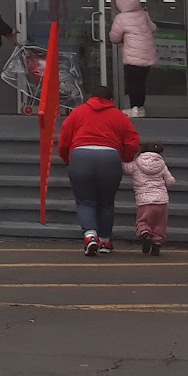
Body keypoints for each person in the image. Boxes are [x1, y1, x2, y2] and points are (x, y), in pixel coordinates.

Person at [55, 87, 140, 255]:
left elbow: (64, 138)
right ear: (111, 100)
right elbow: (132, 141)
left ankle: (90, 236)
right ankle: (105, 241)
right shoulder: (119, 116)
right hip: (109, 156)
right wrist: (125, 157)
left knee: (85, 201)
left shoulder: (78, 113)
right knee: (106, 202)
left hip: (81, 155)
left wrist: (67, 158)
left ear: (91, 97)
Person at [109, 0, 157, 119]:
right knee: (141, 82)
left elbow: (114, 37)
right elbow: (153, 28)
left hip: (132, 56)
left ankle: (134, 108)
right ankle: (140, 107)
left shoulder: (121, 18)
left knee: (132, 83)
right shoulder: (144, 14)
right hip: (147, 55)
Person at [124, 142, 176, 255]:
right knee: (160, 224)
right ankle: (156, 245)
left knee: (143, 221)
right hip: (162, 201)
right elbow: (170, 181)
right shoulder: (162, 165)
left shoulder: (136, 164)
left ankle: (145, 234)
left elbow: (125, 169)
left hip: (145, 201)